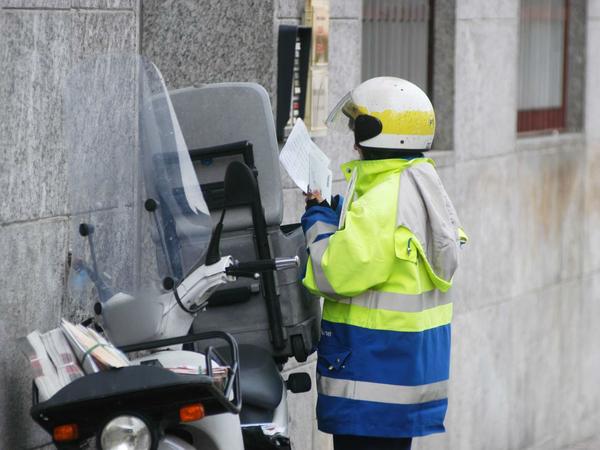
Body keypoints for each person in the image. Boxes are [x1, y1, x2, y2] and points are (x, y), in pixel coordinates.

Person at [301, 77, 468, 450]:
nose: (354, 141)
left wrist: (316, 220)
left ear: (373, 134)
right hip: (400, 371)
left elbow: (332, 273)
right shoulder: (418, 182)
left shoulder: (382, 201)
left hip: (370, 374)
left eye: (357, 128)